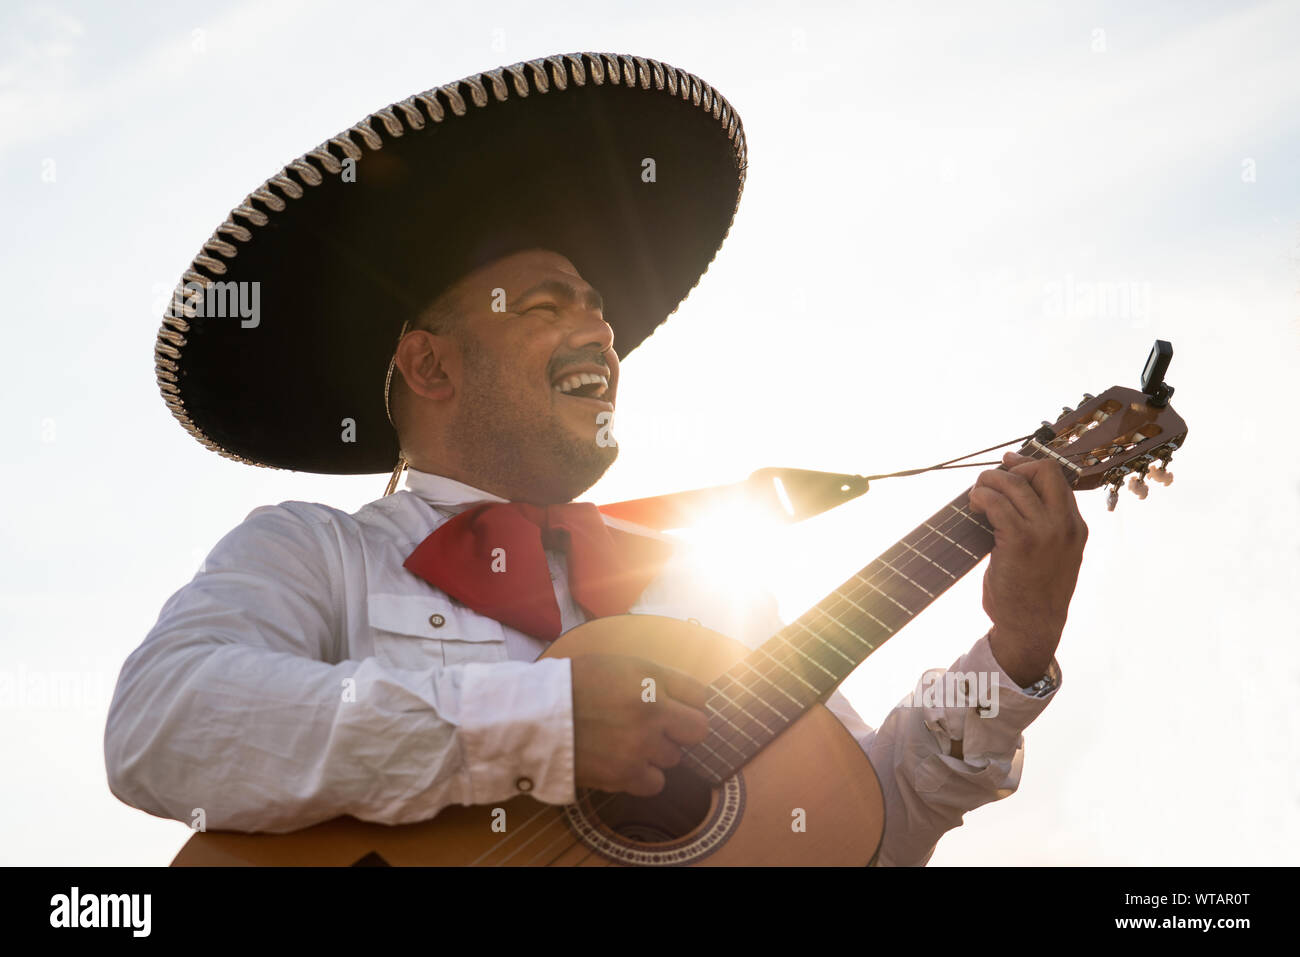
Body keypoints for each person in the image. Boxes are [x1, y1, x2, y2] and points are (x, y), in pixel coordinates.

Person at [106, 53, 1086, 866]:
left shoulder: (709, 593)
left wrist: (1011, 657)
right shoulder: (313, 552)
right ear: (431, 362)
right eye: (546, 306)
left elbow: (864, 831)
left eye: (599, 312)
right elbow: (161, 723)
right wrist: (536, 723)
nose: (599, 335)